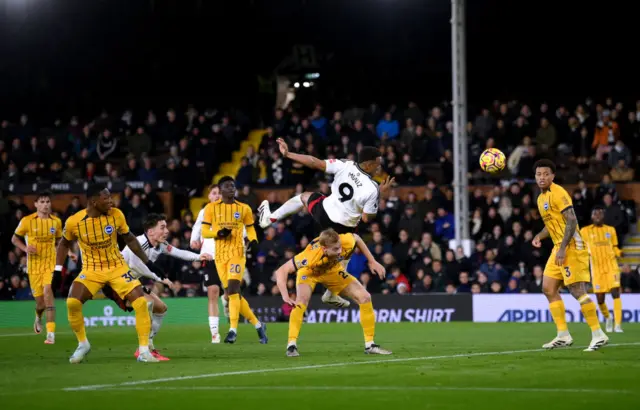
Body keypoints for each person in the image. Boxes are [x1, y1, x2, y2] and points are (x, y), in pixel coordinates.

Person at [258, 138, 394, 307]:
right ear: (368, 164)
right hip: (344, 227)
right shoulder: (373, 188)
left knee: (304, 197)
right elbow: (367, 218)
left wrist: (288, 154)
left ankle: (270, 218)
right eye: (377, 164)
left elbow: (315, 162)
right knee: (346, 248)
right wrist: (379, 195)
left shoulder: (346, 164)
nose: (379, 167)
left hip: (324, 214)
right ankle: (331, 293)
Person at [55, 183, 166, 363]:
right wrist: (57, 270)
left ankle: (144, 351)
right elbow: (64, 243)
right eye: (106, 198)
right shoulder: (74, 221)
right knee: (72, 302)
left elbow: (129, 238)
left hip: (117, 268)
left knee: (141, 303)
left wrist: (149, 263)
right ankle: (83, 344)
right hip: (91, 270)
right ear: (93, 201)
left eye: (110, 197)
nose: (110, 201)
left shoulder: (116, 215)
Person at [105, 213, 213, 360]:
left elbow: (178, 252)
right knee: (147, 304)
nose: (167, 231)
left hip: (132, 284)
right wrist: (161, 278)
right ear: (150, 232)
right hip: (117, 285)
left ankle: (146, 348)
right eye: (162, 227)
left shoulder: (160, 245)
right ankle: (145, 350)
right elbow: (137, 266)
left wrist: (198, 256)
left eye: (166, 227)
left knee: (161, 308)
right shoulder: (138, 243)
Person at [274, 228, 391, 357]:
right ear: (324, 249)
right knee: (301, 302)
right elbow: (281, 271)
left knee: (365, 297)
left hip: (332, 271)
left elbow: (357, 238)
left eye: (339, 247)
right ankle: (291, 345)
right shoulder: (309, 256)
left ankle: (370, 345)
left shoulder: (345, 241)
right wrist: (285, 295)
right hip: (309, 273)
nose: (340, 250)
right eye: (335, 249)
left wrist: (372, 261)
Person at [531, 159, 608, 352]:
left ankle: (598, 334)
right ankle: (563, 335)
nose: (542, 177)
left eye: (546, 174)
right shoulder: (540, 199)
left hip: (572, 246)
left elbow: (571, 220)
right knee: (548, 288)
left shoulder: (559, 193)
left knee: (576, 290)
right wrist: (539, 236)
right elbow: (551, 225)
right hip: (559, 246)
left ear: (553, 176)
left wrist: (564, 247)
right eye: (539, 174)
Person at [201, 176, 268, 344]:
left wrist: (253, 240)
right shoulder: (211, 208)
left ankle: (233, 330)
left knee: (232, 289)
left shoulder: (244, 208)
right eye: (227, 186)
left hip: (237, 254)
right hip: (220, 256)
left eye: (233, 186)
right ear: (221, 189)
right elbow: (204, 232)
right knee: (233, 295)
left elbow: (251, 229)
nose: (231, 189)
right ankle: (258, 325)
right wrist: (218, 233)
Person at [11, 191, 75, 344]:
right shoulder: (27, 221)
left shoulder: (56, 222)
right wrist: (25, 249)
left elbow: (60, 241)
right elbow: (14, 239)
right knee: (40, 304)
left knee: (48, 293)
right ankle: (38, 317)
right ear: (36, 204)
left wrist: (70, 252)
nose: (46, 204)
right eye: (42, 202)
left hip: (50, 265)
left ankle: (51, 334)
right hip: (33, 268)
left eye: (47, 201)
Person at [579, 206, 623, 333]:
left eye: (600, 214)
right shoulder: (585, 231)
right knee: (600, 299)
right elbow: (581, 248)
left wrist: (620, 253)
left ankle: (618, 324)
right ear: (591, 217)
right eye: (595, 214)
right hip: (596, 269)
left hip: (611, 267)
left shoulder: (611, 230)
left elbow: (614, 247)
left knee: (615, 293)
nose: (597, 216)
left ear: (603, 216)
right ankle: (608, 318)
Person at [191, 184, 224, 343]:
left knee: (231, 294)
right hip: (209, 257)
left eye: (219, 193)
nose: (217, 196)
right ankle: (215, 333)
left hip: (227, 257)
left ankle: (232, 325)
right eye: (214, 193)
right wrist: (193, 241)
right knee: (213, 292)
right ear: (209, 196)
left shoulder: (229, 211)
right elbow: (196, 227)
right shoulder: (204, 212)